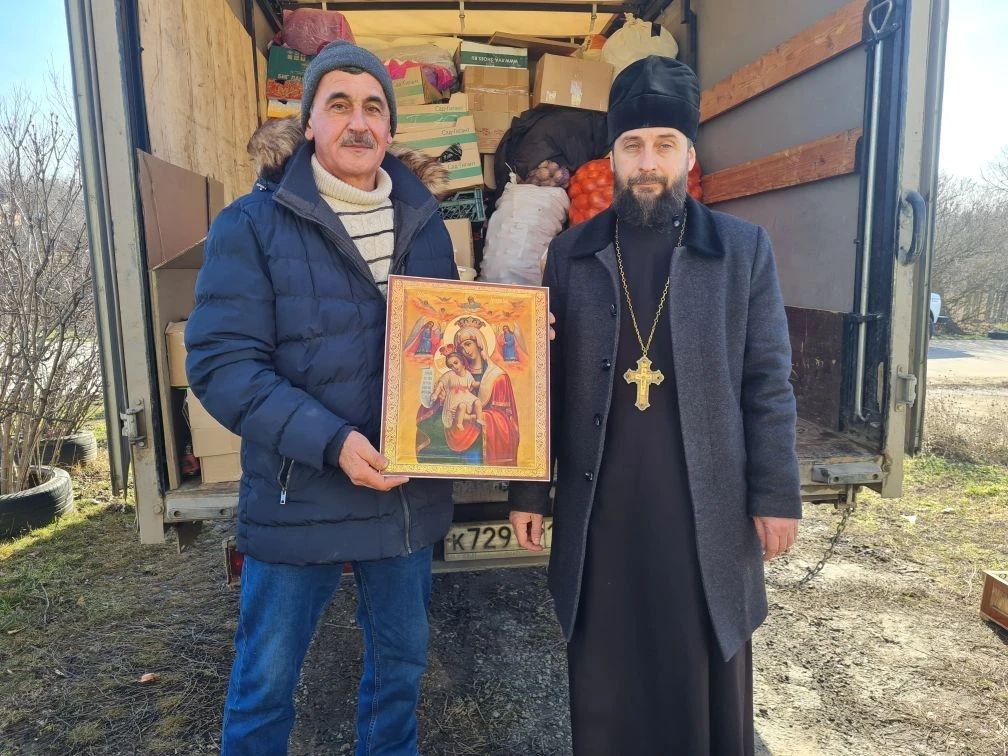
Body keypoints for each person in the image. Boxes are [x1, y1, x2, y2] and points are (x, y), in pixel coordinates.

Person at [509, 55, 802, 755]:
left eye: (664, 145)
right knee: (608, 684)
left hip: (705, 510)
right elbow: (542, 382)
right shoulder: (570, 254)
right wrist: (528, 492)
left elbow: (768, 380)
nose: (648, 163)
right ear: (610, 158)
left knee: (701, 679)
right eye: (633, 145)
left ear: (689, 155)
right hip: (602, 510)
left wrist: (776, 494)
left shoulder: (741, 250)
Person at [185, 40, 458, 756]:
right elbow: (221, 364)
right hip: (296, 498)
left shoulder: (425, 221)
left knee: (400, 675)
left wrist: (516, 335)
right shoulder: (251, 224)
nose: (358, 122)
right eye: (338, 105)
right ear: (309, 123)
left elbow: (450, 340)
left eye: (373, 107)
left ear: (390, 128)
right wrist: (331, 442)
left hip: (403, 499)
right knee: (265, 685)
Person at [416, 319, 520, 466]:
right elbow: (441, 399)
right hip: (453, 424)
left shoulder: (497, 377)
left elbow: (506, 419)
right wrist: (440, 400)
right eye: (461, 347)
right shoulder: (454, 375)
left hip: (479, 435)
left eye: (468, 344)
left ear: (479, 343)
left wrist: (477, 417)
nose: (465, 350)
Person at [432, 346, 485, 430]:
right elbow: (441, 384)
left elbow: (473, 383)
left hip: (466, 396)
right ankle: (459, 423)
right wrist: (435, 394)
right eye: (451, 366)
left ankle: (479, 419)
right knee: (461, 407)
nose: (454, 367)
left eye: (456, 363)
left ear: (462, 361)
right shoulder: (449, 375)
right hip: (454, 398)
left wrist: (480, 383)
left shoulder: (467, 373)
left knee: (477, 402)